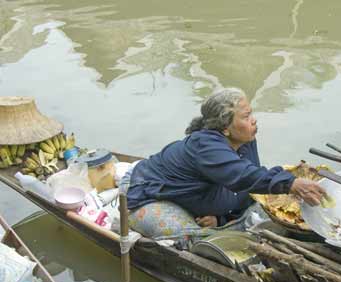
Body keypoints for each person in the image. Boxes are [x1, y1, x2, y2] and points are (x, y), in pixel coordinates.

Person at [124, 88, 325, 239]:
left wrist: (221, 219)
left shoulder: (244, 140)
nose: (253, 121)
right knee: (197, 241)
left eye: (251, 114)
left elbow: (248, 185)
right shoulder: (206, 145)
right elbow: (242, 175)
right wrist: (292, 183)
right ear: (225, 128)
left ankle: (225, 224)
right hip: (146, 194)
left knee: (264, 209)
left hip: (193, 197)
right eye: (246, 117)